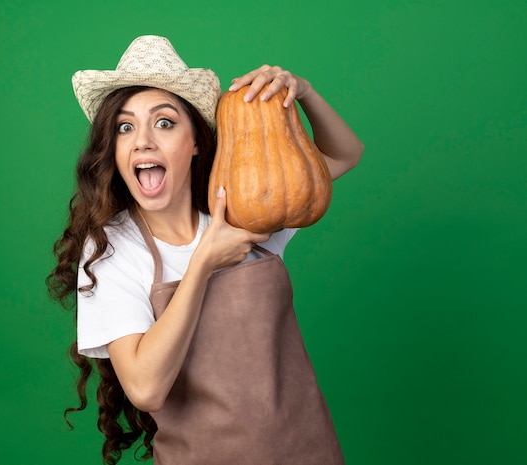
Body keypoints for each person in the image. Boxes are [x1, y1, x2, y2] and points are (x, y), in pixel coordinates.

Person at [47, 35, 363, 465]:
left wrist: (303, 92)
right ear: (114, 149)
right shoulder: (113, 249)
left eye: (164, 122)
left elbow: (345, 154)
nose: (142, 140)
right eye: (125, 127)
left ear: (195, 141)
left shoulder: (244, 207)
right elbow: (145, 388)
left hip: (309, 452)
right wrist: (203, 264)